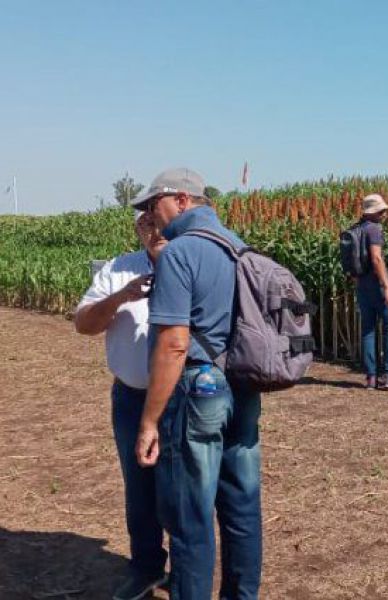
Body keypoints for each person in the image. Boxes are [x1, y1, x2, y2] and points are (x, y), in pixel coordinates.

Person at [130, 168, 263, 599]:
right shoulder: (238, 246)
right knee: (241, 506)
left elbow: (173, 344)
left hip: (197, 391)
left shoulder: (180, 253)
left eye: (155, 205)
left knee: (189, 516)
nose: (152, 215)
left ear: (182, 200)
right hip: (242, 386)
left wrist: (149, 421)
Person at [74, 211, 169, 600]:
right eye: (147, 224)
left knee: (182, 489)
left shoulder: (195, 264)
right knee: (139, 487)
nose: (155, 231)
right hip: (131, 398)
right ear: (138, 229)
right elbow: (83, 324)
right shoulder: (118, 268)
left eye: (161, 222)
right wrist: (120, 296)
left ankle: (187, 572)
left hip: (182, 399)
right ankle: (145, 567)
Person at [353, 193, 388, 390]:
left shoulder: (356, 228)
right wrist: (387, 286)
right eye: (382, 210)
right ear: (374, 211)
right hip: (377, 287)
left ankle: (371, 378)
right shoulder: (373, 229)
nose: (384, 214)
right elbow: (376, 258)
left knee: (368, 330)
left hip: (362, 287)